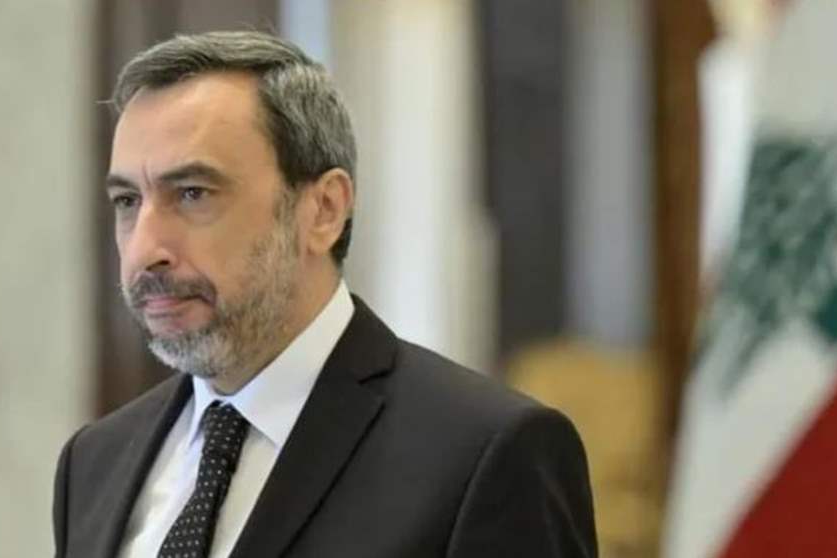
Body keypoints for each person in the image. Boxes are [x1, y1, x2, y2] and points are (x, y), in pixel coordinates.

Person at [53, 31, 596, 558]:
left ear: (324, 210)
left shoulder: (487, 454)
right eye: (127, 201)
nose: (144, 249)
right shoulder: (94, 462)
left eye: (193, 193)